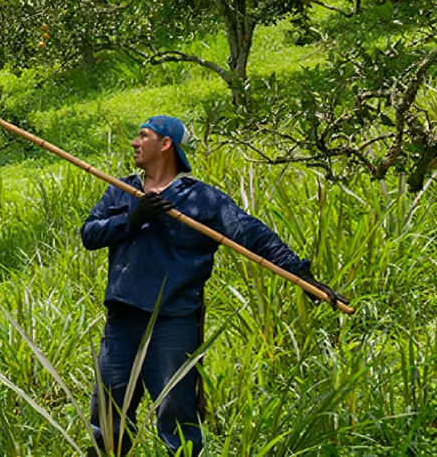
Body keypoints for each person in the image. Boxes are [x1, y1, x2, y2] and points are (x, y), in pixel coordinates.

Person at [79, 115, 344, 456]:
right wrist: (132, 219)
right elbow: (90, 234)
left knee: (176, 412)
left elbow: (251, 234)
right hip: (122, 319)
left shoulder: (201, 199)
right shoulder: (121, 189)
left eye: (143, 136)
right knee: (108, 409)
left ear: (165, 144)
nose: (134, 142)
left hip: (173, 321)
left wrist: (300, 274)